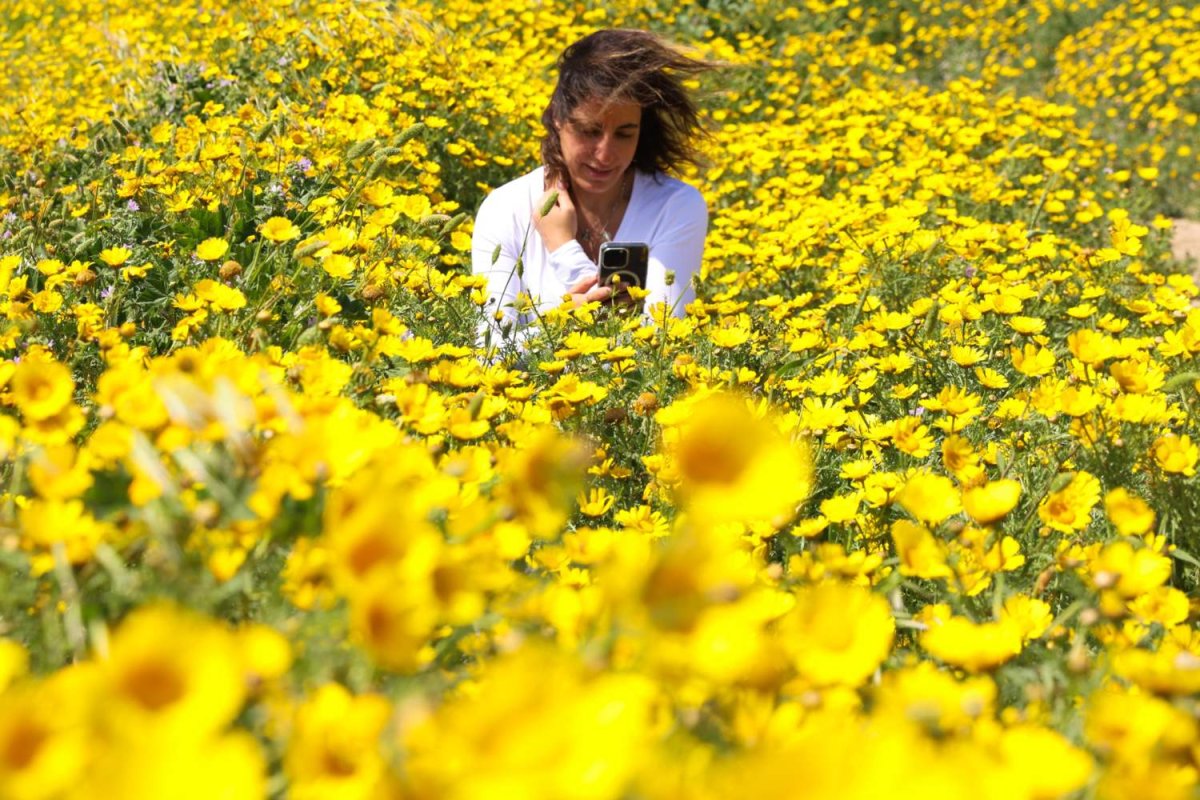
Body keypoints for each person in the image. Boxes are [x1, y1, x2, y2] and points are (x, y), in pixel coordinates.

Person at [471, 29, 714, 351]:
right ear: (558, 118)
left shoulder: (675, 206)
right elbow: (487, 351)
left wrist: (563, 249)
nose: (605, 154)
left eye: (625, 134)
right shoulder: (505, 207)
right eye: (589, 131)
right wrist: (561, 324)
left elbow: (663, 343)